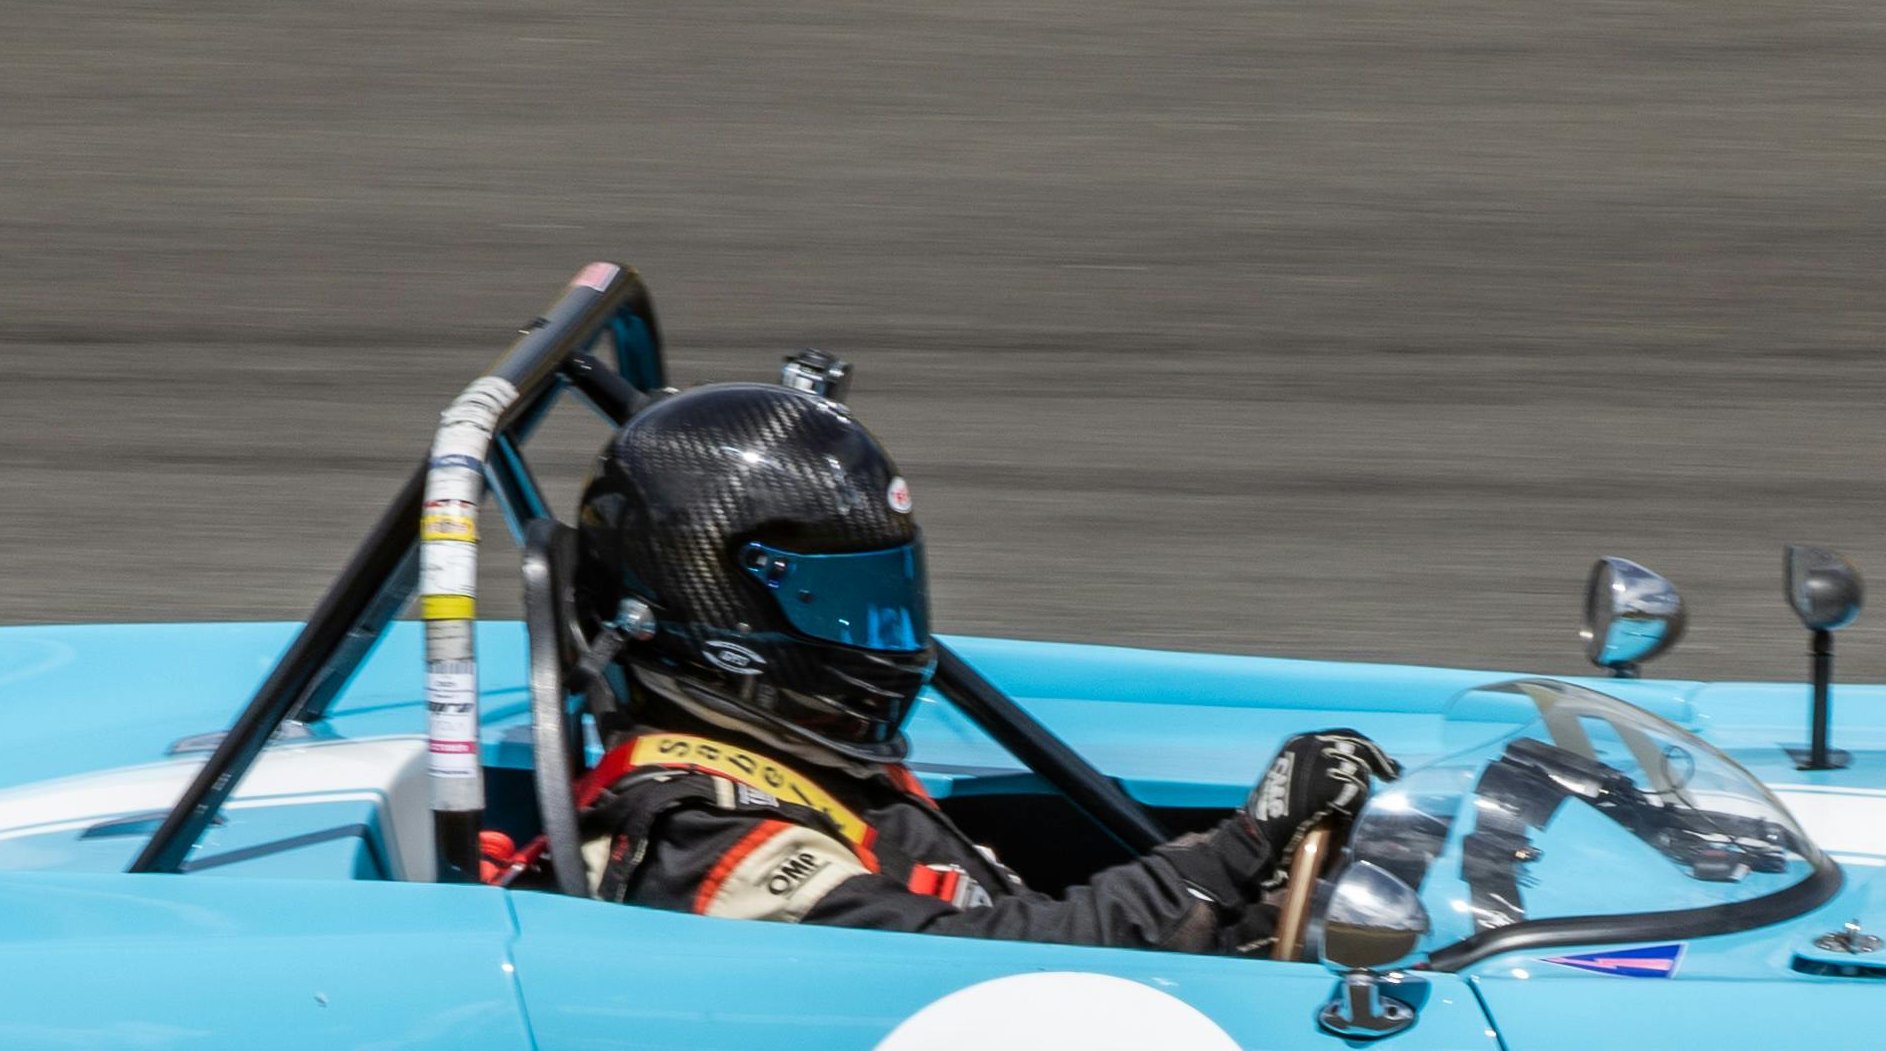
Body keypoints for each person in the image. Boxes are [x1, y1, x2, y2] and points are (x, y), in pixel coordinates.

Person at [560, 375, 1380, 946]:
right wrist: (1231, 854)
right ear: (717, 609)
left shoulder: (806, 758)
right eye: (834, 601)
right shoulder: (700, 839)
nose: (879, 633)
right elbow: (977, 968)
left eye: (887, 592)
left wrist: (1246, 901)